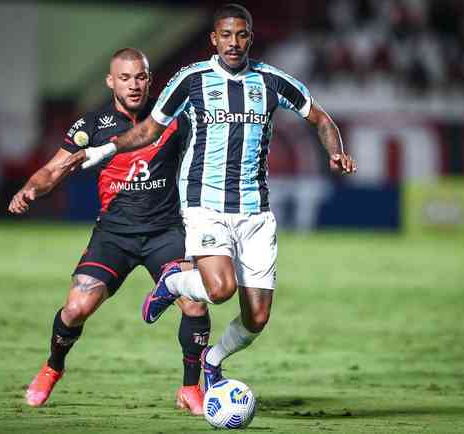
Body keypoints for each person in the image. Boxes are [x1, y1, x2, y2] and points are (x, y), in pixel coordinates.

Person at [61, 4, 356, 391]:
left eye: (241, 35)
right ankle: (173, 284)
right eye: (226, 36)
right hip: (206, 204)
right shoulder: (191, 79)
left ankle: (213, 361)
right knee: (220, 289)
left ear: (250, 37)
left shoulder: (272, 81)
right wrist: (103, 151)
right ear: (213, 39)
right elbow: (150, 129)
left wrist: (335, 150)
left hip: (255, 212)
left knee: (257, 319)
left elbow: (320, 118)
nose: (234, 43)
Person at [8, 48, 210, 415]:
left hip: (166, 232)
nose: (134, 85)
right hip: (115, 234)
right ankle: (53, 367)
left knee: (194, 302)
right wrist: (30, 189)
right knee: (76, 307)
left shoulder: (173, 118)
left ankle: (190, 388)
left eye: (140, 77)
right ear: (110, 81)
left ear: (150, 80)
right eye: (125, 78)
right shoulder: (93, 126)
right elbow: (53, 169)